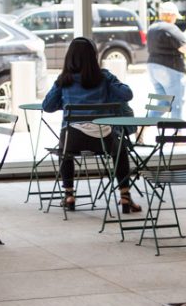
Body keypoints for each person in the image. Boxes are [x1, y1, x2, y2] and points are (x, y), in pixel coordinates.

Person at [42, 36, 141, 213]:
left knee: (64, 151)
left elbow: (47, 106)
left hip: (73, 140)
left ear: (69, 58)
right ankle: (125, 197)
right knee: (120, 149)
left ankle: (69, 195)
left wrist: (64, 103)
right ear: (94, 56)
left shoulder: (64, 80)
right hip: (104, 140)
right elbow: (127, 94)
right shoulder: (104, 77)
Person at [147, 1, 186, 120]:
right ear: (170, 15)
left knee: (163, 104)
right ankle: (178, 137)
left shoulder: (152, 28)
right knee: (177, 104)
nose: (175, 19)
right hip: (171, 69)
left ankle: (142, 126)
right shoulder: (170, 28)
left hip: (153, 68)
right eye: (175, 16)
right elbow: (185, 48)